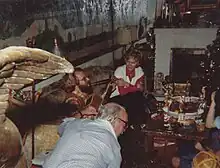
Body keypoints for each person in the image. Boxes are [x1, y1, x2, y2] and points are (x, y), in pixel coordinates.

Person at [42, 103, 128, 168]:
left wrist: (81, 113)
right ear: (116, 120)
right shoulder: (113, 146)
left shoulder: (76, 123)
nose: (123, 131)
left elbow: (61, 127)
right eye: (125, 125)